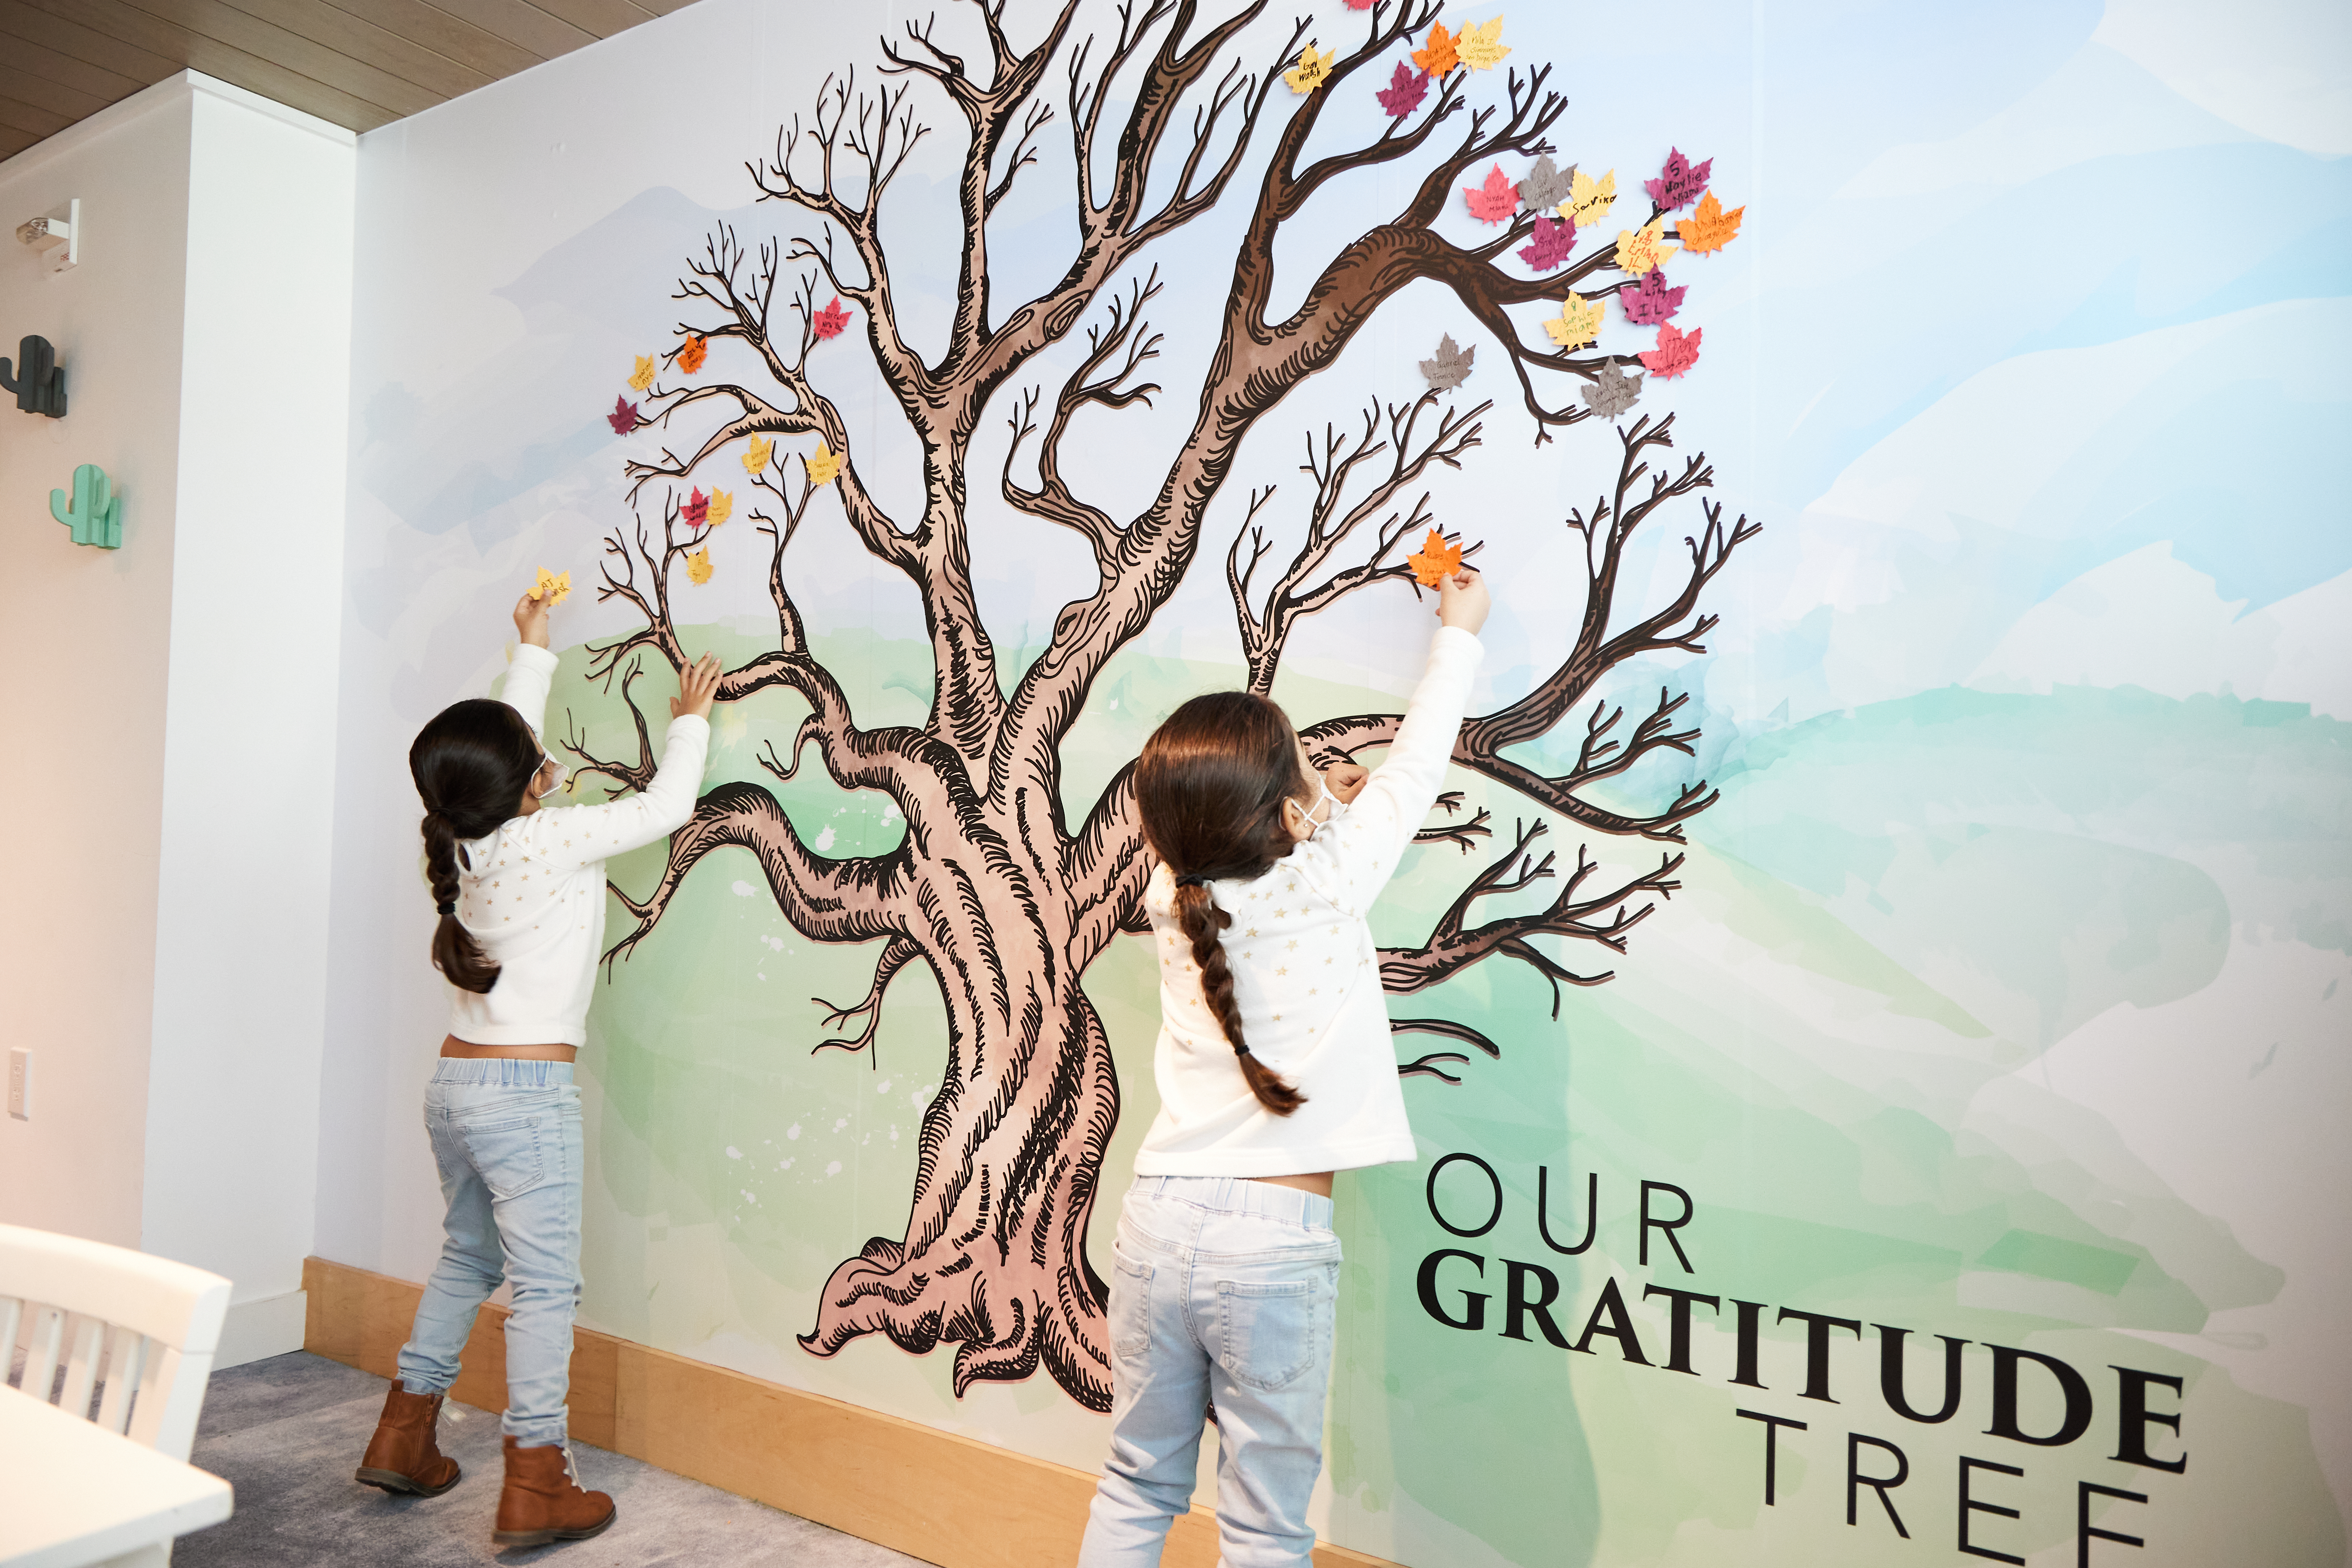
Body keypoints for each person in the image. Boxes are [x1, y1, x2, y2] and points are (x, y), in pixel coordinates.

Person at [1076, 565, 1491, 1566]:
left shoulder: (1172, 893)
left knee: (1135, 1484)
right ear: (1290, 806)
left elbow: (1249, 827)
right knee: (1264, 1525)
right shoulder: (1331, 880)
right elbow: (1418, 756)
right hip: (1270, 1246)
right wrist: (1460, 628)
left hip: (1156, 1219)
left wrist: (1318, 800)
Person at [353, 580, 720, 1548]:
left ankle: (405, 1432)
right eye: (535, 762)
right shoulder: (556, 837)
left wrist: (536, 649)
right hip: (524, 1095)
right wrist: (690, 719)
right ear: (525, 782)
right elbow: (669, 804)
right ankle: (536, 1478)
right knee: (546, 1287)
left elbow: (502, 749)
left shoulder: (459, 837)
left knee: (469, 1256)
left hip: (456, 1086)